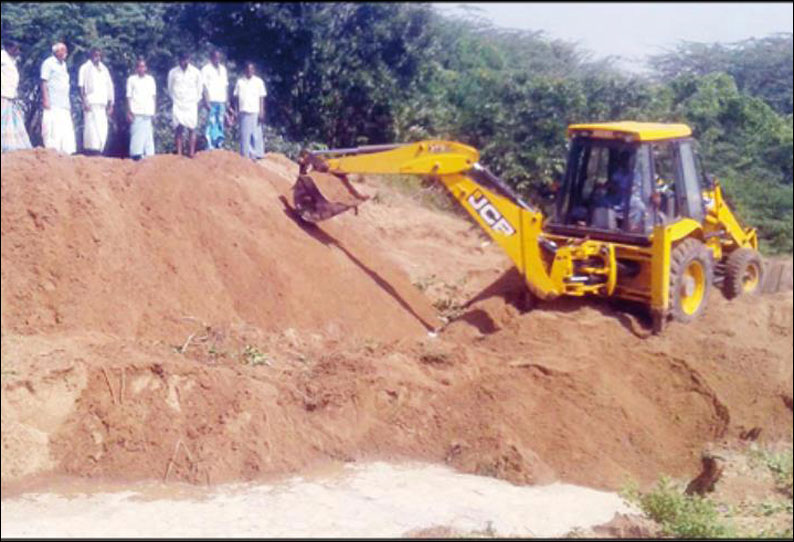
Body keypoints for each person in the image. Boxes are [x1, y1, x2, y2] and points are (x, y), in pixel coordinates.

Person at [40, 42, 76, 154]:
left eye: (65, 50)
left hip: (64, 103)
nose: (65, 52)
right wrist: (46, 99)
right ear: (56, 51)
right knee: (52, 129)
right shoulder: (48, 63)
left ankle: (66, 152)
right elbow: (44, 82)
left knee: (65, 131)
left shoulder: (63, 65)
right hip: (53, 103)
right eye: (63, 50)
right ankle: (52, 152)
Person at [78, 48, 114, 155]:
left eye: (99, 55)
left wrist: (111, 104)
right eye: (95, 55)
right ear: (91, 55)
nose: (97, 57)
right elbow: (81, 86)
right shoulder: (85, 68)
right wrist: (84, 101)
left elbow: (110, 86)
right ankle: (92, 151)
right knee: (91, 129)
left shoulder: (104, 69)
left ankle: (100, 150)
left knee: (102, 129)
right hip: (91, 103)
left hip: (102, 104)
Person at [167, 52, 202, 157]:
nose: (184, 61)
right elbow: (170, 89)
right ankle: (179, 153)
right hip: (178, 103)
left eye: (186, 59)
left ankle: (191, 153)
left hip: (191, 103)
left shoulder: (196, 72)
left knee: (192, 128)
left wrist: (195, 101)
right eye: (182, 59)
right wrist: (176, 100)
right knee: (178, 128)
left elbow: (199, 89)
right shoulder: (173, 72)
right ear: (179, 60)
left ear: (189, 59)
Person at [1, 40, 32, 153]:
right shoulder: (2, 56)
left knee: (13, 122)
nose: (17, 51)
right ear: (8, 48)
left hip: (11, 95)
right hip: (3, 94)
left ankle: (14, 146)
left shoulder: (12, 60)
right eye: (15, 48)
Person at [232, 61, 266, 160]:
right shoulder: (240, 82)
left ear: (254, 70)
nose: (249, 71)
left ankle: (257, 154)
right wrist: (235, 110)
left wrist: (262, 111)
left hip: (255, 110)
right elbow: (236, 97)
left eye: (251, 69)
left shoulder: (259, 82)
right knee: (245, 134)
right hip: (243, 110)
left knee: (256, 133)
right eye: (247, 69)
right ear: (244, 70)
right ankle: (246, 155)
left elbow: (261, 97)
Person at [126, 57, 157, 160]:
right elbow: (129, 96)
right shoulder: (131, 80)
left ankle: (149, 155)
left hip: (148, 111)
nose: (141, 69)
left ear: (146, 68)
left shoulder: (150, 80)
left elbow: (153, 96)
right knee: (136, 135)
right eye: (139, 66)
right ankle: (136, 155)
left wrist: (154, 111)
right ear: (136, 68)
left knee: (148, 136)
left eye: (143, 67)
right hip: (136, 111)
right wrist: (129, 111)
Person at [201, 50, 230, 150]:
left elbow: (226, 86)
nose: (217, 59)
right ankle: (209, 145)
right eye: (215, 57)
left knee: (220, 122)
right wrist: (206, 101)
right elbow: (204, 86)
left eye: (219, 57)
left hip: (221, 100)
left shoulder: (223, 69)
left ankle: (219, 144)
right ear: (211, 58)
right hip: (211, 100)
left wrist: (227, 101)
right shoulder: (206, 69)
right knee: (210, 123)